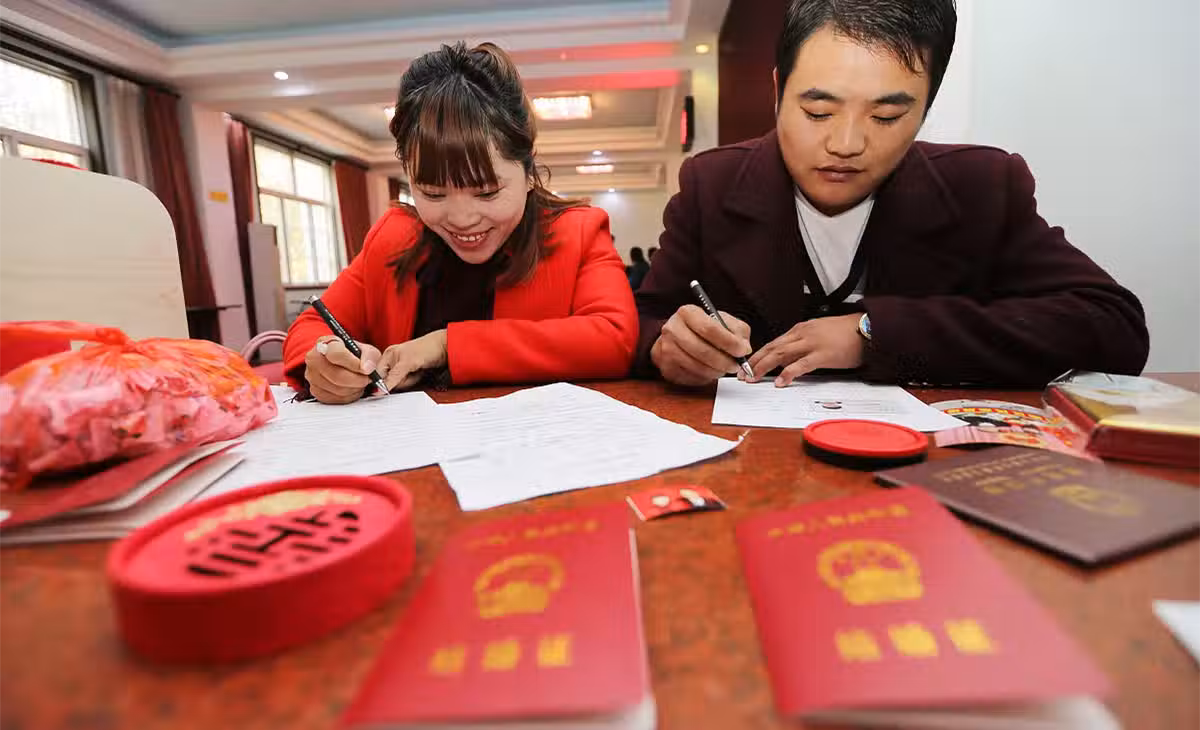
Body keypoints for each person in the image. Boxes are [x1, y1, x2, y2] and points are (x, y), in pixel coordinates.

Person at [635, 0, 1149, 389]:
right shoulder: (712, 183)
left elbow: (1112, 325)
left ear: (925, 109)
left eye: (886, 116)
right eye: (818, 112)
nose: (845, 144)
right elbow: (643, 321)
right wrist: (667, 345)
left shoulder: (982, 186)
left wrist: (874, 333)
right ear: (777, 91)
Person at [283, 42, 637, 404]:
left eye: (487, 192)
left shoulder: (577, 232)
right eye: (433, 194)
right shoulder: (394, 238)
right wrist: (328, 358)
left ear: (529, 172)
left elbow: (615, 339)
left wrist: (446, 346)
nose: (462, 220)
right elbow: (310, 327)